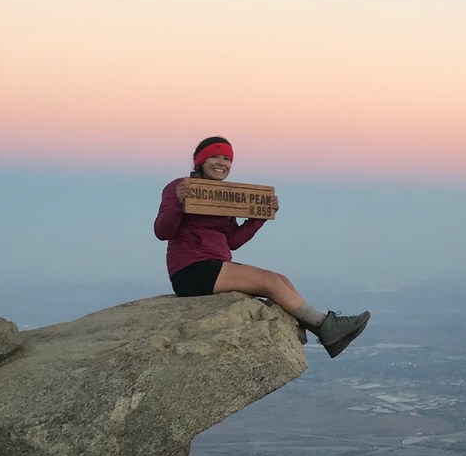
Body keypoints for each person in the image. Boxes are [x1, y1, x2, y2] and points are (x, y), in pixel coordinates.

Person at [154, 136, 370, 357]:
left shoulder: (224, 196)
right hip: (190, 269)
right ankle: (326, 324)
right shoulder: (179, 187)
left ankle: (323, 332)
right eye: (215, 156)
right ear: (200, 161)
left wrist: (259, 218)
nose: (222, 162)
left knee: (281, 279)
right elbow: (162, 232)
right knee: (269, 281)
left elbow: (232, 241)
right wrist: (178, 205)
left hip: (215, 264)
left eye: (227, 158)